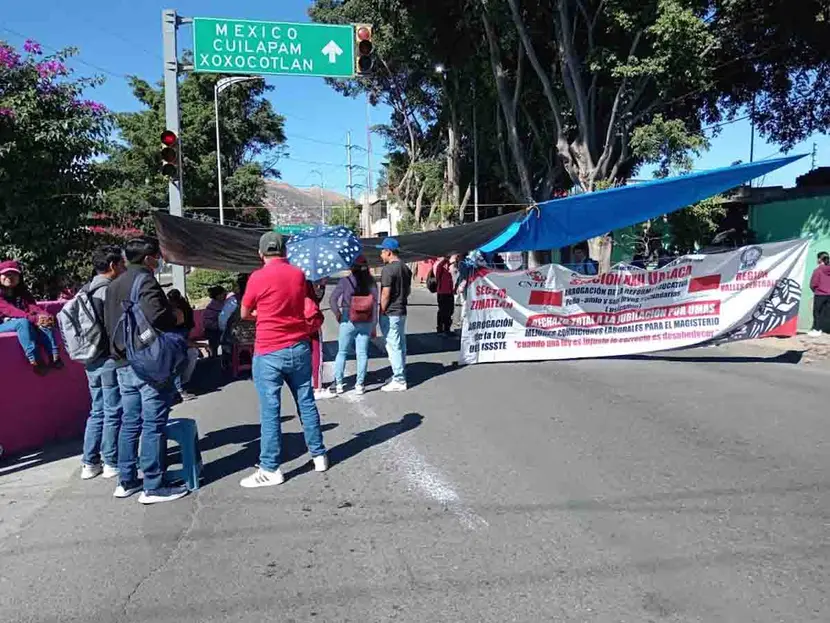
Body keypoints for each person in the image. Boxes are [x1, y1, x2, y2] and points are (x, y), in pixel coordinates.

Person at [104, 236, 189, 504]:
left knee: (130, 423)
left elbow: (108, 323)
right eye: (158, 255)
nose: (160, 259)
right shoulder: (146, 281)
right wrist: (174, 316)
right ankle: (153, 485)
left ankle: (126, 481)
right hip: (147, 364)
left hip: (122, 362)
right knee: (153, 424)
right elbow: (158, 317)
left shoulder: (114, 283)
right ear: (150, 258)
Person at [239, 232, 328, 488]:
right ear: (285, 252)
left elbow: (245, 312)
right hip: (298, 347)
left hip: (268, 350)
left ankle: (270, 468)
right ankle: (319, 455)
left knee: (270, 411)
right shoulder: (298, 274)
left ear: (261, 253)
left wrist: (263, 314)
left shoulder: (257, 277)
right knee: (306, 402)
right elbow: (298, 304)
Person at [80, 245, 126, 481]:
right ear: (112, 265)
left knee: (97, 410)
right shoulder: (109, 291)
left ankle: (89, 462)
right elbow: (115, 328)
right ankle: (111, 461)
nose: (124, 267)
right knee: (113, 410)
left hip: (89, 358)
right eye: (121, 263)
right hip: (108, 358)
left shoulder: (85, 289)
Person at [0, 260, 63, 375]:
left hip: (22, 320)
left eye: (14, 274)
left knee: (43, 318)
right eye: (6, 274)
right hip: (3, 325)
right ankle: (35, 360)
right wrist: (34, 319)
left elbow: (32, 306)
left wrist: (44, 315)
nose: (10, 277)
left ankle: (54, 355)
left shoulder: (22, 291)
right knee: (23, 323)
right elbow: (9, 310)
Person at [330, 255, 378, 395]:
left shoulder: (345, 281)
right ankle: (359, 385)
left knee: (342, 352)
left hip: (347, 318)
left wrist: (337, 314)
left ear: (351, 267)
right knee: (362, 353)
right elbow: (375, 304)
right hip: (366, 319)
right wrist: (374, 324)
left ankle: (339, 384)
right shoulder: (371, 282)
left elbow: (332, 300)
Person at [377, 238, 412, 392]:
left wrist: (382, 309)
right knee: (400, 344)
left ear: (389, 252)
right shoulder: (406, 268)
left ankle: (399, 378)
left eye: (382, 251)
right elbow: (408, 290)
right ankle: (400, 373)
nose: (380, 254)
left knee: (393, 345)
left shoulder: (388, 270)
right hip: (402, 310)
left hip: (391, 312)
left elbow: (385, 293)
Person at [167, 289, 199, 402]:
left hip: (176, 339)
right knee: (179, 362)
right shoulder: (183, 308)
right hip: (177, 339)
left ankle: (178, 388)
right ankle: (179, 389)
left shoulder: (171, 308)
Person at [809, 251, 830, 337]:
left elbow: (813, 284)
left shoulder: (817, 270)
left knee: (817, 313)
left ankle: (817, 330)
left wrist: (816, 290)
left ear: (819, 259)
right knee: (827, 313)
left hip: (820, 294)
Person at [202, 285, 226, 358]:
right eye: (223, 294)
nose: (225, 296)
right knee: (215, 348)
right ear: (218, 295)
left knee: (214, 348)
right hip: (213, 329)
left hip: (211, 328)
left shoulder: (214, 304)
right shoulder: (217, 305)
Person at [433, 255, 455, 336]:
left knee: (450, 311)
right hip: (442, 293)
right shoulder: (439, 268)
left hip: (450, 293)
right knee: (442, 312)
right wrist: (445, 260)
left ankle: (447, 329)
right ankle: (440, 329)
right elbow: (439, 267)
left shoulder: (448, 270)